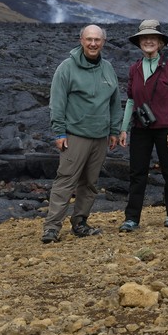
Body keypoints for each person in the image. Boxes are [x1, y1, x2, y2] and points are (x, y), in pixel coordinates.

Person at [41, 24, 122, 243]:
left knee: (90, 183)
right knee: (66, 180)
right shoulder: (66, 68)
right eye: (89, 39)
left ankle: (80, 223)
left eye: (97, 40)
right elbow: (57, 102)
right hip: (75, 134)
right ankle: (51, 228)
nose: (93, 43)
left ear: (103, 42)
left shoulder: (108, 68)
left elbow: (115, 102)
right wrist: (59, 132)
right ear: (81, 40)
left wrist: (115, 129)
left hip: (100, 136)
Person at [118, 20, 168, 231]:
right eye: (144, 38)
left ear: (160, 42)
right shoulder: (134, 69)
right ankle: (132, 219)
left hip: (166, 129)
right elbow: (130, 100)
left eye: (152, 38)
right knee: (137, 173)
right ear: (139, 42)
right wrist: (123, 128)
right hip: (140, 128)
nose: (148, 41)